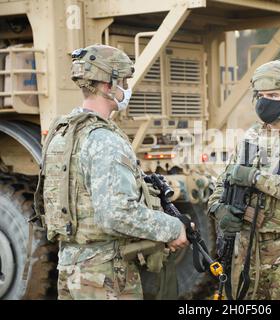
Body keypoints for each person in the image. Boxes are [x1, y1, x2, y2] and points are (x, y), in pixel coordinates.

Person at [33, 44, 188, 300]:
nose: (126, 89)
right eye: (123, 82)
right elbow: (116, 214)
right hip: (104, 274)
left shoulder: (62, 133)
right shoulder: (104, 139)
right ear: (107, 85)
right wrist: (172, 227)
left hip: (70, 265)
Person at [207, 60, 280, 300]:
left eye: (272, 95)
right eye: (260, 95)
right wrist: (218, 209)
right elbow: (224, 180)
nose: (264, 102)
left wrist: (255, 177)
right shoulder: (251, 136)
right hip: (247, 248)